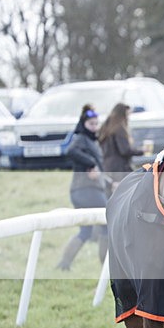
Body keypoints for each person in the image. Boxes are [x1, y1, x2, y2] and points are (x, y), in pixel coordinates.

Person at [56, 105, 109, 270]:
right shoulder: (80, 138)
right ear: (84, 123)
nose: (94, 127)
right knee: (108, 224)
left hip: (82, 191)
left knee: (85, 231)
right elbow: (71, 151)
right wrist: (91, 163)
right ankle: (105, 268)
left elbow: (98, 170)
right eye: (91, 124)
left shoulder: (91, 141)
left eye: (96, 123)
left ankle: (63, 264)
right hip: (87, 191)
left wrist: (110, 182)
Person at [98, 102, 143, 196]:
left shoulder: (105, 128)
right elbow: (124, 150)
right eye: (127, 115)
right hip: (120, 168)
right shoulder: (119, 129)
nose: (128, 118)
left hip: (108, 167)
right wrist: (141, 151)